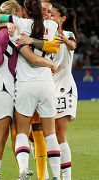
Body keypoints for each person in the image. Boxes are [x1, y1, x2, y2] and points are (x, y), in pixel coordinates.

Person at [0, 0, 61, 179]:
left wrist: (6, 22)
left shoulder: (20, 24)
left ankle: (23, 170)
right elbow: (53, 46)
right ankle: (55, 175)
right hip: (47, 84)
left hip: (24, 85)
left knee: (21, 132)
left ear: (25, 11)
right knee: (50, 134)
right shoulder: (52, 25)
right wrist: (49, 61)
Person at [52, 4, 79, 179]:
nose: (50, 17)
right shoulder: (44, 36)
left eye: (53, 15)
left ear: (63, 18)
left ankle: (66, 177)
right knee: (40, 134)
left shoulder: (67, 35)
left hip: (64, 89)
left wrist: (66, 40)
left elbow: (72, 45)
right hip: (48, 89)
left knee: (59, 134)